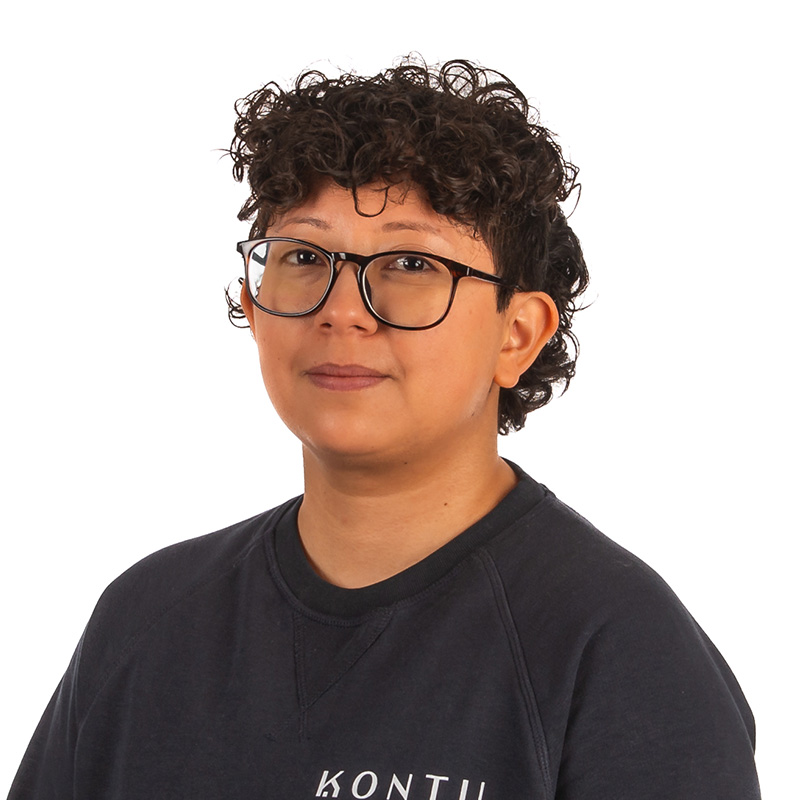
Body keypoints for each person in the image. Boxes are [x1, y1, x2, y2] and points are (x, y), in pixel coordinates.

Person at [9, 59, 760, 799]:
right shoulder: (146, 619)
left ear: (517, 335)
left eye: (409, 262)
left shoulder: (619, 651)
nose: (343, 310)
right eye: (304, 256)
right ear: (251, 301)